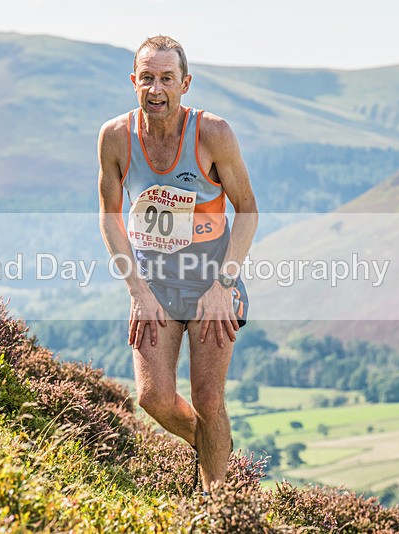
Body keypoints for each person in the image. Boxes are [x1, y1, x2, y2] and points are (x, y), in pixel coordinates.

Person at [97, 35, 258, 494]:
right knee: (153, 398)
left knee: (209, 398)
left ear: (185, 84)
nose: (156, 88)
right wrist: (138, 291)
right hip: (155, 284)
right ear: (133, 82)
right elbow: (109, 217)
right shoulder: (115, 137)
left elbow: (248, 209)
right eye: (146, 78)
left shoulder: (213, 133)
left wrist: (223, 285)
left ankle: (220, 504)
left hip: (212, 280)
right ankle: (212, 448)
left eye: (167, 78)